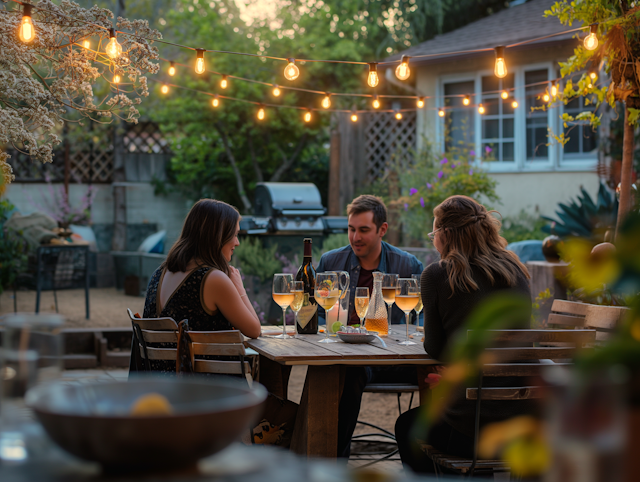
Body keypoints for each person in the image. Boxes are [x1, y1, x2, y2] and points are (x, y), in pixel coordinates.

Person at [394, 195, 533, 474]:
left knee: (407, 426)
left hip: (469, 431)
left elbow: (435, 348)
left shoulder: (437, 274)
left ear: (445, 234)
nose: (434, 239)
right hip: (522, 423)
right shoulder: (515, 270)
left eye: (434, 233)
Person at [316, 194, 424, 458]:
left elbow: (423, 315)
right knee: (341, 374)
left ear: (382, 230)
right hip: (351, 360)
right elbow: (316, 313)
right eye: (351, 230)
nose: (355, 238)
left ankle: (431, 462)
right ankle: (332, 460)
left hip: (398, 359)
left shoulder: (407, 265)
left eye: (363, 230)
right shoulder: (331, 262)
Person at [133, 199, 261, 373]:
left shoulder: (161, 272)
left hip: (162, 386)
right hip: (205, 390)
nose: (237, 242)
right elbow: (254, 330)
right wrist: (239, 288)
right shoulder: (213, 279)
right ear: (218, 235)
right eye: (235, 235)